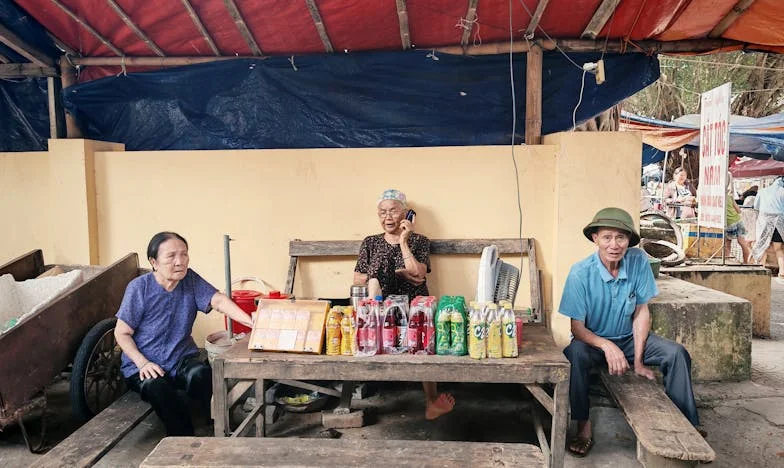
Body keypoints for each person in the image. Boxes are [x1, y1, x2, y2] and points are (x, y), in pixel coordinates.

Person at [560, 208, 701, 457]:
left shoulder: (638, 261)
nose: (614, 245)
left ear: (629, 240)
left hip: (628, 339)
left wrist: (637, 361)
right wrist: (606, 346)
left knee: (676, 353)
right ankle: (582, 426)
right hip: (593, 343)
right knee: (574, 354)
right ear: (595, 238)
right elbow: (577, 328)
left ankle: (687, 426)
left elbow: (641, 312)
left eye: (621, 237)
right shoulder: (580, 273)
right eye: (607, 237)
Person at [114, 232, 253, 436]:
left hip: (180, 359)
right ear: (154, 262)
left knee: (202, 374)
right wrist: (142, 363)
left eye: (184, 254)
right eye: (171, 256)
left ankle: (217, 427)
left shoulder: (191, 280)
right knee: (157, 388)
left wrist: (251, 322)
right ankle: (183, 439)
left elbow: (219, 301)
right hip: (143, 365)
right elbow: (122, 333)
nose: (180, 261)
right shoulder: (139, 288)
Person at [353, 189, 454, 420]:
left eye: (393, 211)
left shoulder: (419, 241)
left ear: (406, 214)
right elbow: (358, 278)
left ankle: (431, 402)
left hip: (414, 306)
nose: (387, 217)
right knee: (374, 297)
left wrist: (403, 241)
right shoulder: (370, 242)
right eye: (382, 212)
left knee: (424, 338)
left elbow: (418, 273)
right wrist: (395, 273)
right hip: (382, 311)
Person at [751, 177, 784, 277]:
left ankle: (761, 269)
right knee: (778, 248)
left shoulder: (762, 191)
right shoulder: (783, 191)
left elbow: (756, 206)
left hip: (764, 221)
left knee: (762, 246)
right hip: (780, 221)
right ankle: (782, 272)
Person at [725, 178, 751, 263]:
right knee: (742, 243)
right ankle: (746, 262)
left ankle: (727, 261)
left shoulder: (719, 197)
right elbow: (738, 210)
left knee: (727, 243)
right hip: (737, 220)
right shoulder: (730, 196)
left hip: (729, 222)